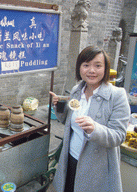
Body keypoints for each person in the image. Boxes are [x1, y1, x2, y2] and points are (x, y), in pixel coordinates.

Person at [49, 46, 130, 192]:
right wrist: (58, 106)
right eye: (86, 65)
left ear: (105, 68)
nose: (91, 70)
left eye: (98, 65)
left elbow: (119, 136)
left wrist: (95, 129)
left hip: (96, 167)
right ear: (79, 68)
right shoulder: (76, 90)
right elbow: (68, 122)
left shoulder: (117, 96)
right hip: (70, 158)